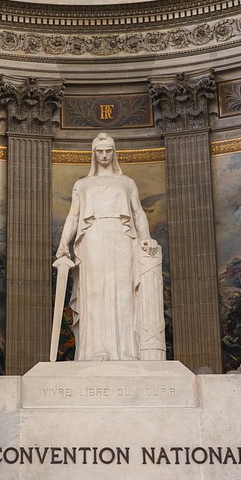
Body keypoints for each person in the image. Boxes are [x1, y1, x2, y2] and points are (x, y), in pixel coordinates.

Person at [55, 132, 161, 361]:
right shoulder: (82, 185)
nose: (104, 155)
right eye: (99, 151)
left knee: (124, 293)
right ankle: (96, 349)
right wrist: (64, 244)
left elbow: (138, 212)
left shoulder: (126, 182)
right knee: (94, 293)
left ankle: (126, 350)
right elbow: (73, 217)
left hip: (123, 238)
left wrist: (146, 237)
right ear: (93, 154)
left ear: (114, 153)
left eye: (108, 151)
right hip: (92, 238)